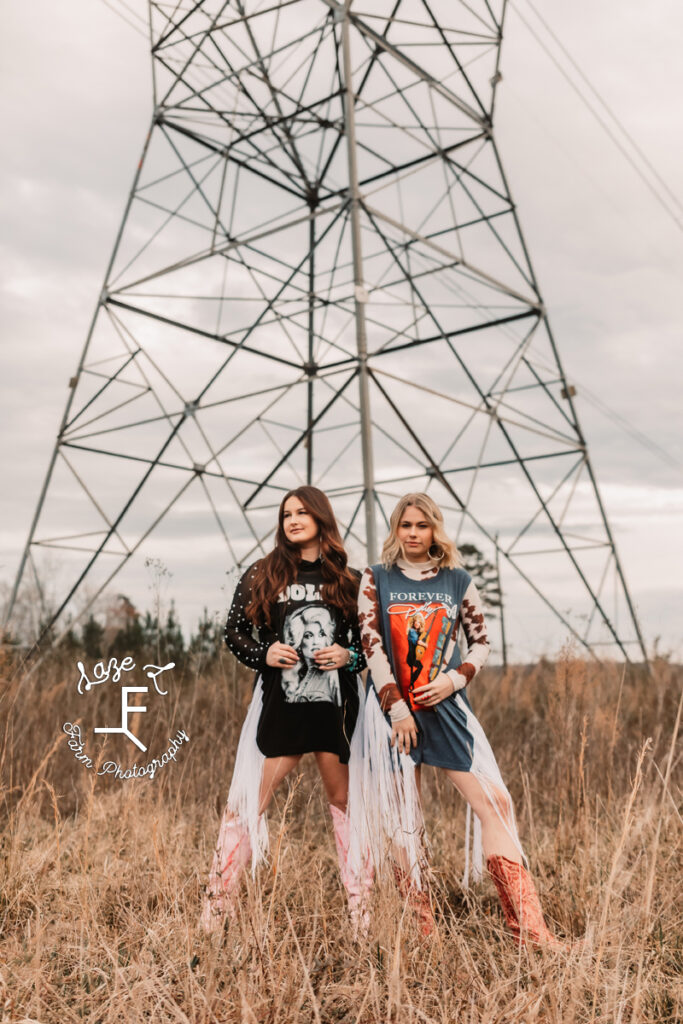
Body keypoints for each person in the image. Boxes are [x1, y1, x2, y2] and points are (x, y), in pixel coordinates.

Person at [356, 492, 568, 948]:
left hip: (447, 708)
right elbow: (372, 648)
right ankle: (421, 931)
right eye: (405, 525)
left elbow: (481, 643)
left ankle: (528, 931)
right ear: (396, 529)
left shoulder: (456, 580)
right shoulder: (375, 579)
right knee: (405, 818)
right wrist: (397, 708)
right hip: (394, 715)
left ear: (435, 530)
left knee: (497, 803)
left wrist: (454, 681)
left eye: (422, 525)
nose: (412, 534)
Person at [199, 486, 371, 935]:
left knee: (346, 805)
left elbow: (369, 649)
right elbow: (234, 632)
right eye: (286, 514)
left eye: (302, 512)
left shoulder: (350, 580)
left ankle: (363, 918)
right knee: (246, 804)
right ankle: (214, 915)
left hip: (337, 711)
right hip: (281, 709)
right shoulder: (263, 573)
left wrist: (347, 657)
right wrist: (265, 653)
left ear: (321, 518)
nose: (293, 519)